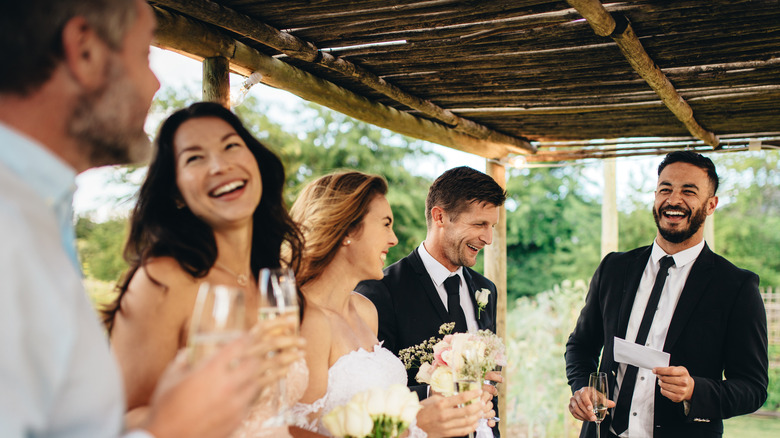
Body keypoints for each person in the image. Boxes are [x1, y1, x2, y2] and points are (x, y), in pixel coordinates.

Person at [0, 1, 297, 437]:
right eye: (144, 55)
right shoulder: (13, 225)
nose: (156, 83)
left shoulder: (44, 213)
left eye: (232, 146)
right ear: (84, 51)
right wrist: (168, 424)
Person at [103, 102, 307, 437]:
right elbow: (120, 423)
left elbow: (275, 421)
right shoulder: (164, 280)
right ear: (176, 191)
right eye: (194, 158)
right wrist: (221, 395)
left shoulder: (271, 279)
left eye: (231, 146)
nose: (219, 165)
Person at [565, 151, 768, 438]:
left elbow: (753, 387)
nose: (674, 200)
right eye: (665, 189)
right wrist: (583, 389)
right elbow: (581, 346)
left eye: (689, 191)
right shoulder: (614, 267)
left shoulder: (737, 286)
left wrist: (695, 390)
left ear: (711, 205)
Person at [288, 171, 491, 438]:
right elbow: (292, 432)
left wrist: (437, 400)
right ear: (348, 229)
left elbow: (379, 408)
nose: (394, 239)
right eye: (385, 224)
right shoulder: (305, 321)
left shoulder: (364, 310)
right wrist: (414, 428)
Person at [356, 166, 506, 437]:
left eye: (492, 226)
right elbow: (369, 394)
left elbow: (487, 389)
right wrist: (434, 391)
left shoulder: (486, 290)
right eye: (478, 224)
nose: (488, 238)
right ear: (440, 217)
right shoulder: (379, 291)